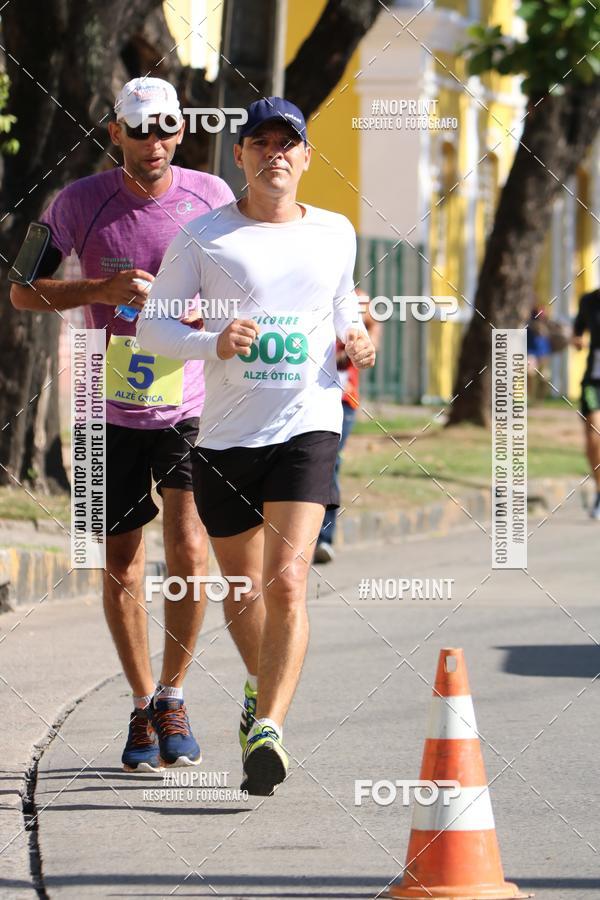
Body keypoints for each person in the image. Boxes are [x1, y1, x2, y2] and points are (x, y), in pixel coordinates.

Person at [137, 96, 376, 795]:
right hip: (226, 437)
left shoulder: (335, 232)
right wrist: (210, 340)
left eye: (287, 144)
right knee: (242, 591)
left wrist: (358, 338)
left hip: (308, 422)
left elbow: (343, 314)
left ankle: (269, 727)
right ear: (239, 156)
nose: (275, 154)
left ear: (305, 158)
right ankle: (255, 688)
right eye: (261, 143)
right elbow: (152, 329)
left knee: (288, 581)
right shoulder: (203, 237)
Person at [10, 77, 235, 771]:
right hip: (106, 409)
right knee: (120, 564)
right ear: (115, 133)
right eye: (140, 129)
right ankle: (142, 703)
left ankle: (174, 693)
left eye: (166, 127)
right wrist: (99, 291)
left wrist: (206, 317)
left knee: (191, 549)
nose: (154, 142)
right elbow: (20, 290)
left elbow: (243, 292)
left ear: (181, 130)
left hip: (189, 403)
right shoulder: (75, 203)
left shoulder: (213, 198)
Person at [314, 288, 380, 562]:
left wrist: (367, 344)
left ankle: (324, 539)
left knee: (330, 463)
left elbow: (375, 323)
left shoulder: (358, 297)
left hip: (344, 398)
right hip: (311, 394)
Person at [573, 287, 600, 519]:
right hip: (594, 380)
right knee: (593, 435)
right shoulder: (589, 301)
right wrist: (577, 339)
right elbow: (578, 329)